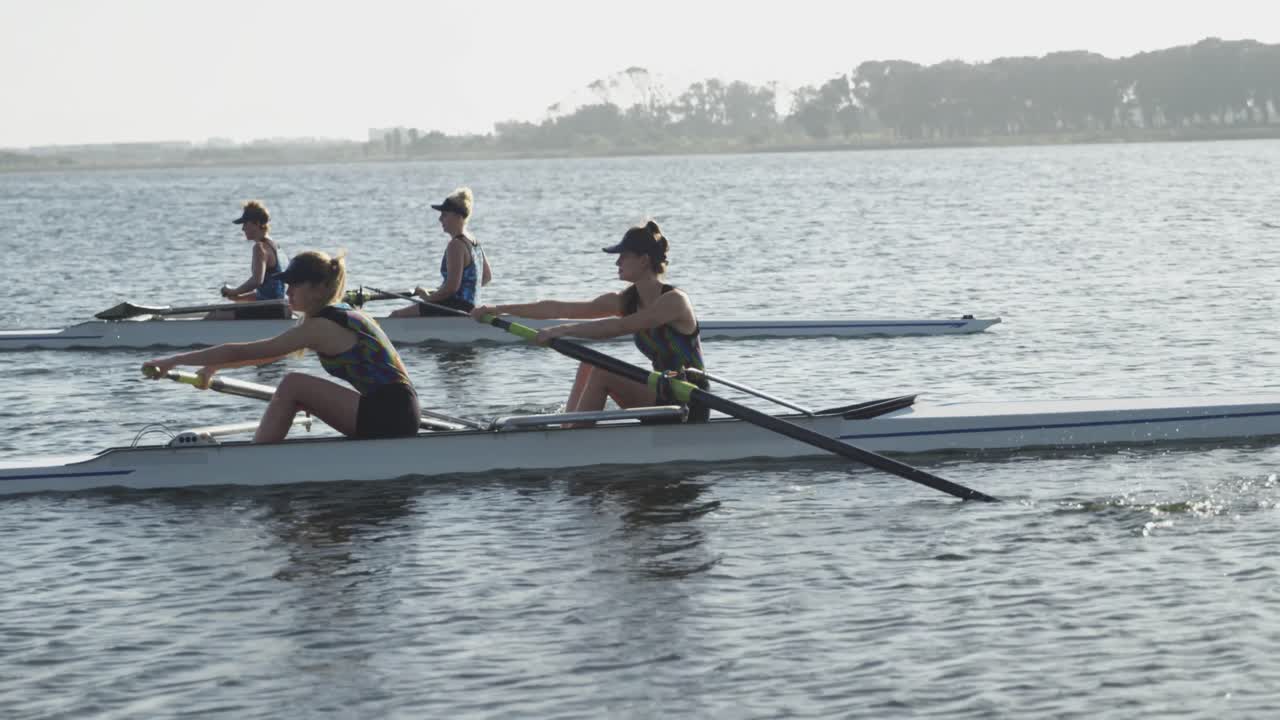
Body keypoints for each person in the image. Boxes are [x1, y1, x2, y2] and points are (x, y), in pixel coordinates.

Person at [144, 250, 421, 442]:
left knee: (292, 385)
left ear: (318, 288)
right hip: (401, 412)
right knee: (296, 391)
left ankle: (257, 461)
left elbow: (244, 351)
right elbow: (262, 356)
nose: (287, 293)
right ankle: (267, 453)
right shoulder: (342, 312)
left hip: (390, 416)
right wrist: (213, 367)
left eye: (293, 286)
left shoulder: (320, 327)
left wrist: (173, 361)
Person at [470, 220, 708, 423]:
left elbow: (618, 327)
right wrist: (497, 309)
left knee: (603, 373)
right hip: (663, 393)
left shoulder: (674, 301)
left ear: (644, 260)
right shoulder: (625, 301)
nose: (617, 263)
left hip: (689, 401)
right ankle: (568, 429)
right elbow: (561, 308)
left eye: (623, 256)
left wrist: (561, 331)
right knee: (589, 364)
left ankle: (572, 440)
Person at [391, 187, 493, 318]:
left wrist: (428, 297)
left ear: (458, 216)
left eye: (444, 214)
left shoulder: (456, 245)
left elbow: (452, 288)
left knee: (395, 315)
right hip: (472, 307)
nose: (440, 219)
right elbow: (486, 277)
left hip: (454, 307)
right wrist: (452, 290)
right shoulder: (475, 242)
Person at [217, 200, 290, 320]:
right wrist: (239, 298)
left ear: (257, 223)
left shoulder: (259, 248)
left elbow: (257, 281)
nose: (242, 229)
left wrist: (234, 291)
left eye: (245, 224)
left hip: (270, 311)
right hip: (281, 308)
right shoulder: (276, 246)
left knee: (216, 315)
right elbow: (268, 293)